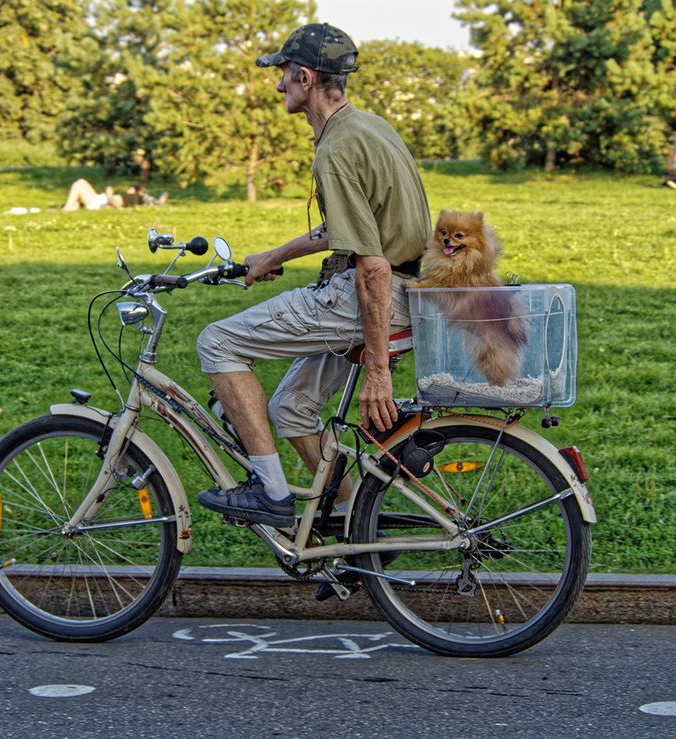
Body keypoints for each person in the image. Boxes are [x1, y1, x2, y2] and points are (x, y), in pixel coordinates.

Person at [194, 23, 432, 533]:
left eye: (283, 74)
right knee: (293, 410)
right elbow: (348, 227)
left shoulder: (336, 152)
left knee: (217, 343)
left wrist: (377, 368)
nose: (278, 84)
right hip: (410, 291)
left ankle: (270, 493)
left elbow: (370, 266)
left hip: (372, 296)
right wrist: (275, 255)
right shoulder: (369, 128)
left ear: (304, 76)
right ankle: (354, 530)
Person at [62, 179, 167, 211]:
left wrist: (109, 195)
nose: (128, 189)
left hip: (97, 202)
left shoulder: (131, 198)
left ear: (135, 191)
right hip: (97, 200)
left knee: (79, 183)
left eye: (130, 188)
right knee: (78, 190)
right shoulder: (132, 197)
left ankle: (66, 208)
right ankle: (67, 208)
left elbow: (115, 204)